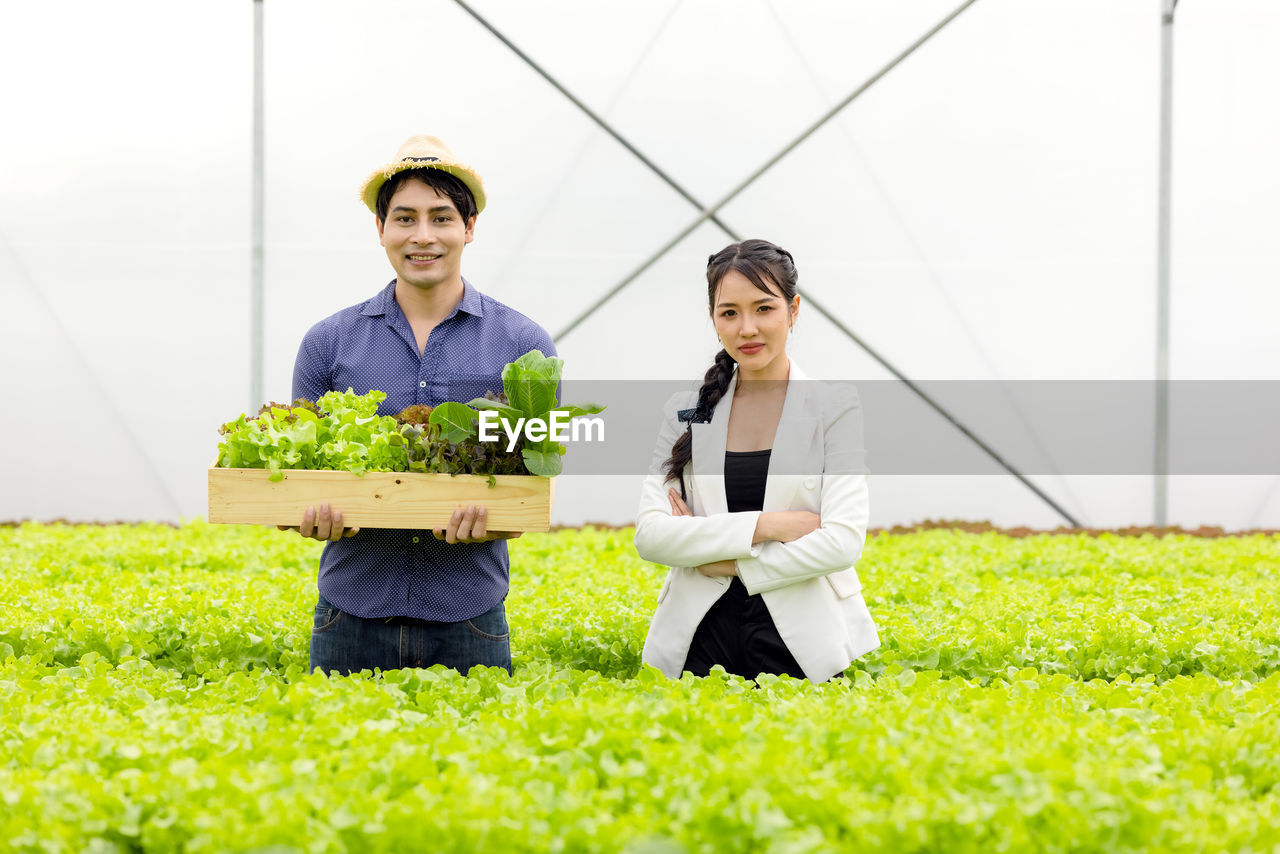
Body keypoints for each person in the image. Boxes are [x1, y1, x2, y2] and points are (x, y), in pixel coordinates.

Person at [287, 134, 555, 676]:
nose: (423, 236)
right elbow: (294, 478)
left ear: (470, 227)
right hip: (349, 614)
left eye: (441, 217)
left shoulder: (523, 345)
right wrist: (305, 517)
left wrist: (499, 519)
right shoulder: (328, 342)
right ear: (381, 230)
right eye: (405, 218)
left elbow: (535, 478)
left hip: (469, 617)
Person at [633, 239, 879, 684]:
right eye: (729, 313)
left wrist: (718, 558)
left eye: (764, 308)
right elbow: (652, 536)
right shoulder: (684, 410)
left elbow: (842, 542)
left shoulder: (834, 407)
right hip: (698, 638)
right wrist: (768, 527)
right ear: (714, 319)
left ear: (794, 310)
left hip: (804, 640)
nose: (747, 328)